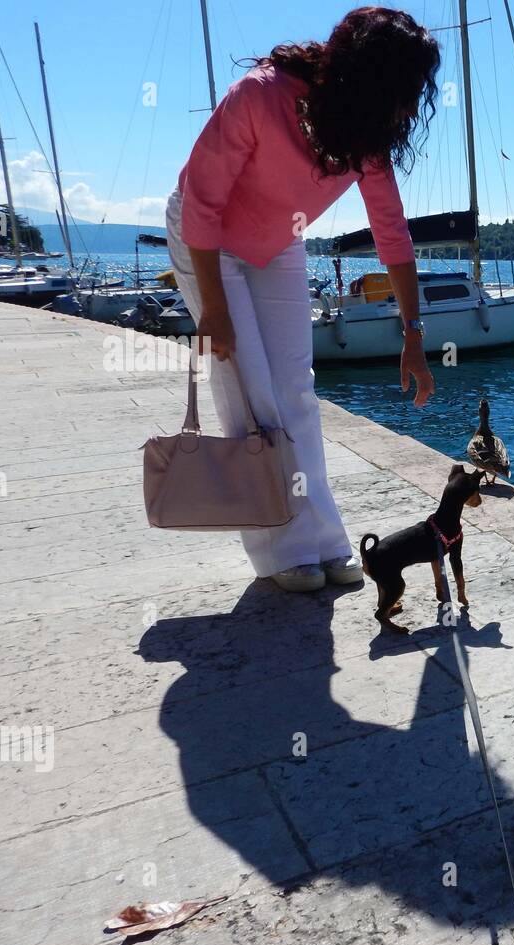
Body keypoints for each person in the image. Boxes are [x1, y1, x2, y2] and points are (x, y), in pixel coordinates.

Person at [166, 6, 438, 592]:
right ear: (365, 79)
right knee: (250, 392)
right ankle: (279, 550)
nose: (407, 109)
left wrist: (413, 339)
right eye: (401, 91)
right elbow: (202, 205)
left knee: (296, 392)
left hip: (277, 244)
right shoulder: (260, 96)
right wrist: (212, 310)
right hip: (205, 241)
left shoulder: (363, 136)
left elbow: (393, 236)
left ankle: (322, 539)